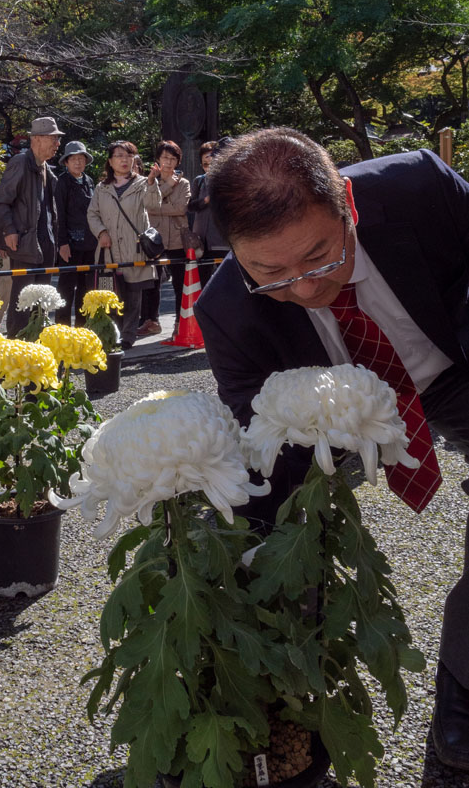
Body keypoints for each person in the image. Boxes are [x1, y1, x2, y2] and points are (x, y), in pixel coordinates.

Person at [194, 126, 469, 772]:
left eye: (320, 257)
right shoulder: (228, 313)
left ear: (345, 200)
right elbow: (266, 457)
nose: (304, 286)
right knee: (267, 535)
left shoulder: (417, 187)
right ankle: (282, 725)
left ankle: (462, 695)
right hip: (335, 421)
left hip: (454, 366)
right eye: (271, 274)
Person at [0, 116, 62, 336]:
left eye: (58, 139)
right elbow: (2, 201)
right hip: (24, 242)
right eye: (53, 139)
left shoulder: (46, 168)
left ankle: (35, 344)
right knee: (22, 299)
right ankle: (15, 345)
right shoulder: (20, 162)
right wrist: (9, 231)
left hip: (44, 243)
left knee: (42, 299)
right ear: (37, 139)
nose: (57, 144)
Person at [87, 141, 161, 348]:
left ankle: (128, 337)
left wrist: (153, 182)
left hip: (133, 249)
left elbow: (154, 205)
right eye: (119, 156)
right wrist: (101, 232)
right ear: (110, 161)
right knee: (110, 296)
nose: (124, 160)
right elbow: (92, 213)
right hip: (108, 250)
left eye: (128, 156)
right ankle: (111, 334)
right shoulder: (102, 188)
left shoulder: (142, 184)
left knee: (132, 295)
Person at [138, 140, 190, 339]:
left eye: (173, 158)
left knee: (179, 284)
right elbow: (145, 206)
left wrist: (156, 207)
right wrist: (168, 185)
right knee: (151, 282)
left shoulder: (183, 183)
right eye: (165, 158)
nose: (169, 162)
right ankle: (151, 321)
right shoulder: (149, 181)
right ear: (158, 160)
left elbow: (180, 208)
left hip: (177, 238)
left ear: (178, 161)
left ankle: (180, 321)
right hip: (154, 238)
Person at [55, 140, 96, 326]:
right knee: (66, 287)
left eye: (81, 159)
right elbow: (59, 215)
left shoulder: (89, 181)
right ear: (66, 162)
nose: (78, 162)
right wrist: (62, 243)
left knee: (85, 287)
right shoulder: (61, 182)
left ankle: (82, 325)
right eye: (74, 159)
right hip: (70, 243)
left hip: (89, 243)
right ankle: (62, 326)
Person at [186, 139, 230, 292]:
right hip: (201, 241)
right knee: (202, 284)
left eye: (212, 162)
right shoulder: (199, 181)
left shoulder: (228, 180)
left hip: (222, 240)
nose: (209, 167)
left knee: (224, 283)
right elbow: (190, 206)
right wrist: (205, 201)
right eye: (205, 164)